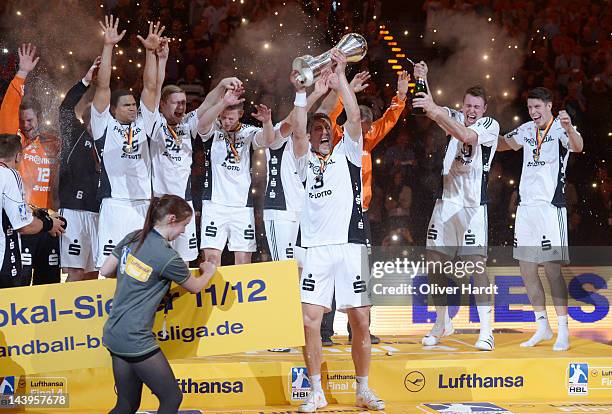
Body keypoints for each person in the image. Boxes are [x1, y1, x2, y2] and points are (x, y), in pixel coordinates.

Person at [291, 50, 384, 412]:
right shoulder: (302, 160)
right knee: (309, 321)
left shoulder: (348, 154)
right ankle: (315, 391)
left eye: (327, 128)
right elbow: (297, 128)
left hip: (350, 246)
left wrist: (342, 76)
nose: (322, 132)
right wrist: (302, 92)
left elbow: (356, 115)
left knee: (361, 319)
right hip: (316, 249)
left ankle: (362, 389)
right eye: (317, 130)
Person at [100, 195, 216, 414]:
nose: (183, 232)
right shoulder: (168, 256)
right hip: (135, 337)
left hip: (114, 332)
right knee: (172, 398)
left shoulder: (133, 237)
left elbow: (106, 271)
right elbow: (195, 287)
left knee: (126, 405)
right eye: (184, 225)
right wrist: (209, 271)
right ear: (172, 219)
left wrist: (138, 279)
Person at [412, 61, 500, 351]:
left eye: (476, 106)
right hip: (445, 202)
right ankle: (442, 321)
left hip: (473, 206)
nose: (471, 110)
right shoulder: (454, 116)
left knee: (476, 266)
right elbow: (430, 108)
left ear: (484, 109)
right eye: (467, 106)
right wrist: (423, 78)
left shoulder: (489, 126)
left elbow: (467, 136)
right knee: (434, 264)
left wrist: (438, 113)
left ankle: (487, 330)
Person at [317, 69, 409, 346]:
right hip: (335, 213)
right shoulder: (335, 137)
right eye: (361, 122)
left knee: (360, 272)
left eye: (368, 124)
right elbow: (328, 116)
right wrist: (347, 94)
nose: (366, 128)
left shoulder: (368, 140)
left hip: (360, 214)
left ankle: (361, 329)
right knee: (332, 270)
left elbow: (389, 120)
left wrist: (401, 95)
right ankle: (324, 331)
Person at [497, 87, 583, 351]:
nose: (533, 112)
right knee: (526, 270)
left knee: (552, 270)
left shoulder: (561, 128)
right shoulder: (524, 129)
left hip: (550, 208)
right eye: (530, 107)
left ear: (549, 105)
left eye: (537, 107)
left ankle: (564, 330)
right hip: (526, 210)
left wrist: (569, 128)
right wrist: (480, 133)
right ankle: (543, 326)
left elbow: (579, 147)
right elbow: (502, 144)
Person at [146, 39, 243, 263]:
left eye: (183, 103)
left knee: (185, 260)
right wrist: (161, 61)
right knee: (158, 261)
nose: (181, 107)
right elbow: (152, 89)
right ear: (162, 105)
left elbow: (206, 106)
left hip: (185, 201)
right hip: (161, 202)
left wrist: (221, 85)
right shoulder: (154, 123)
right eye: (175, 103)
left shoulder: (187, 124)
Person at [91, 17, 164, 267]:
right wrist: (108, 46)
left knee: (144, 266)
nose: (133, 108)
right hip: (114, 203)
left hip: (143, 203)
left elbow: (151, 87)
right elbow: (102, 86)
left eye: (134, 104)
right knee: (109, 268)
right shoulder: (104, 124)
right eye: (127, 105)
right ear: (113, 109)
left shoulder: (144, 123)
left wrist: (151, 52)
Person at [197, 81, 277, 266]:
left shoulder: (249, 132)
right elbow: (200, 125)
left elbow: (267, 140)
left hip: (242, 206)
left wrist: (267, 122)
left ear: (241, 114)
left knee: (243, 262)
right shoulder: (213, 129)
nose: (226, 122)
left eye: (231, 118)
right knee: (211, 260)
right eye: (223, 117)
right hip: (214, 204)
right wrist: (223, 103)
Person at [58, 57, 102, 281]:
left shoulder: (110, 142)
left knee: (94, 273)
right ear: (85, 120)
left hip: (98, 213)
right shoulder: (74, 135)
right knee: (76, 271)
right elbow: (65, 107)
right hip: (73, 211)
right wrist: (86, 81)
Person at [0, 135, 65, 288]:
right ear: (18, 156)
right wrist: (49, 224)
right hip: (3, 260)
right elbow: (24, 225)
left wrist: (36, 212)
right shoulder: (9, 175)